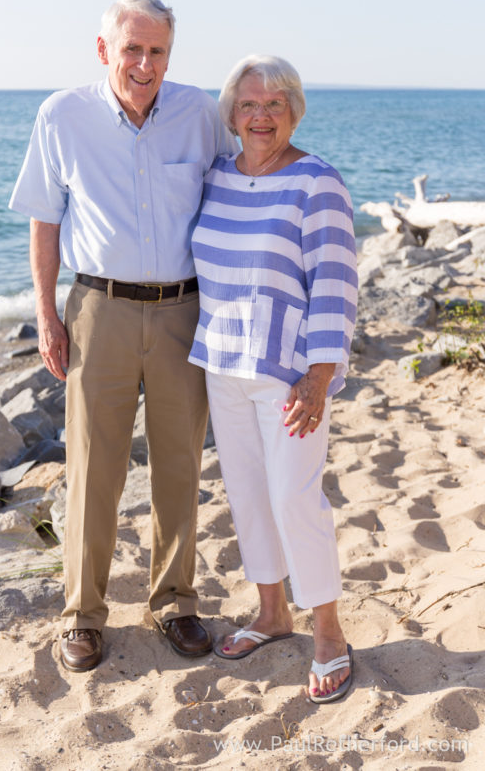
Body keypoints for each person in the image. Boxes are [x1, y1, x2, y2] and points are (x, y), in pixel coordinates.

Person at [9, 0, 237, 672]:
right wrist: (47, 314)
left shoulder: (200, 113)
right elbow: (44, 222)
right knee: (93, 467)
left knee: (179, 464)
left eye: (157, 51)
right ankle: (81, 613)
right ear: (104, 49)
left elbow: (242, 183)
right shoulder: (61, 115)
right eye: (131, 48)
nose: (144, 63)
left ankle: (175, 603)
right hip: (98, 311)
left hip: (183, 312)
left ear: (171, 54)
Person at [188, 55, 358, 703]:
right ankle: (271, 612)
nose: (261, 117)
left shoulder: (317, 182)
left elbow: (336, 288)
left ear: (294, 111)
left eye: (275, 105)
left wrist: (318, 379)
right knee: (248, 495)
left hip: (288, 374)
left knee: (295, 498)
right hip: (221, 363)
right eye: (249, 105)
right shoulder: (218, 178)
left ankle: (330, 635)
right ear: (231, 114)